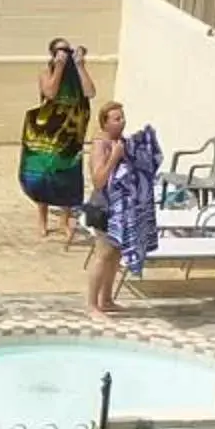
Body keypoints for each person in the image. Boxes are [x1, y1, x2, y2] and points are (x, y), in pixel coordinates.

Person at [17, 39, 96, 242]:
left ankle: (64, 219)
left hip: (71, 132)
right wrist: (59, 66)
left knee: (68, 174)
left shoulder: (77, 76)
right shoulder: (47, 73)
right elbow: (50, 92)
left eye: (68, 50)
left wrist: (80, 66)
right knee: (44, 173)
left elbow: (90, 92)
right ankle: (42, 218)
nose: (65, 54)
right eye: (61, 50)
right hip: (48, 132)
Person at [81, 101, 146, 318]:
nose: (122, 121)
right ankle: (92, 305)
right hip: (104, 207)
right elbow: (98, 180)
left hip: (121, 207)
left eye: (122, 117)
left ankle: (106, 300)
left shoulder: (119, 141)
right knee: (103, 254)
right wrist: (115, 157)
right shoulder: (101, 144)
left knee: (116, 253)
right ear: (105, 122)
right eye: (117, 119)